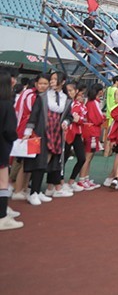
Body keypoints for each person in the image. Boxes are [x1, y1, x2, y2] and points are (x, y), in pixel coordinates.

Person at [23, 72, 71, 205]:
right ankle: (33, 193)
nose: (52, 81)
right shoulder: (42, 97)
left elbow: (69, 115)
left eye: (55, 79)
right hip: (42, 132)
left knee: (47, 162)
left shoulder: (66, 99)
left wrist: (66, 122)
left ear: (63, 82)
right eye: (52, 79)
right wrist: (28, 130)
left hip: (56, 133)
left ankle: (37, 191)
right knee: (39, 162)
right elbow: (34, 114)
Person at [0, 70, 22, 230]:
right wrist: (14, 138)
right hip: (2, 147)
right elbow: (9, 130)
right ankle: (2, 217)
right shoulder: (6, 104)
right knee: (2, 182)